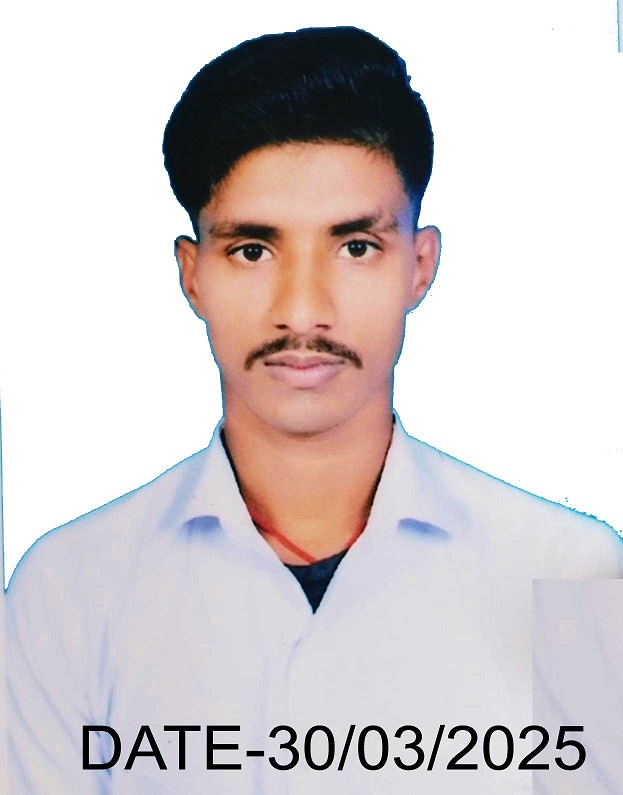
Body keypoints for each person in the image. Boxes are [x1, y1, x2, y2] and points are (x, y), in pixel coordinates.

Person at [7, 26, 622, 795]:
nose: (302, 310)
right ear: (192, 275)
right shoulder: (68, 591)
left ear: (420, 265)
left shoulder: (565, 574)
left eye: (355, 246)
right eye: (252, 249)